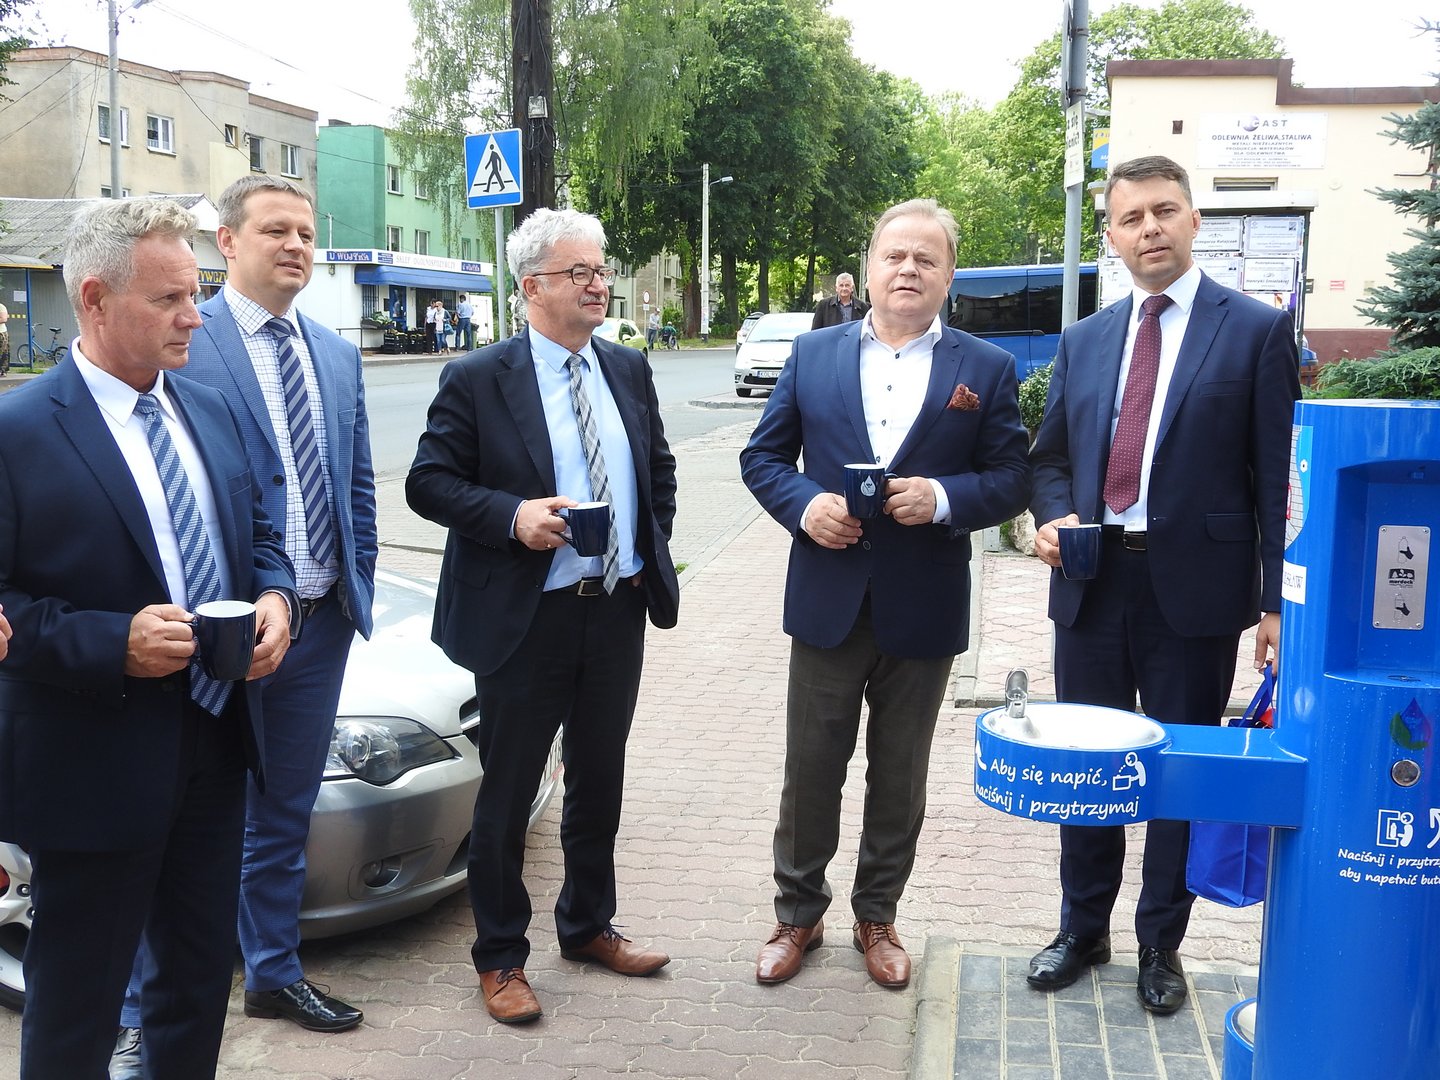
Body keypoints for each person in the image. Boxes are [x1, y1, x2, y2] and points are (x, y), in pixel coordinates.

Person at [0, 198, 295, 1079]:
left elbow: (261, 534)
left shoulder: (210, 409)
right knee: (78, 1005)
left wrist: (276, 598)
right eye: (169, 299)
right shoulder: (17, 433)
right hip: (92, 763)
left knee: (198, 984)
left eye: (195, 293)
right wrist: (110, 642)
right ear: (94, 299)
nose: (194, 317)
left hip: (216, 743)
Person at [109, 175, 377, 1075]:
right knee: (169, 817)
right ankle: (140, 1011)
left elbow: (355, 484)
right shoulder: (188, 337)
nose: (296, 245)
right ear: (227, 243)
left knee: (285, 813)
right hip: (215, 633)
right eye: (275, 231)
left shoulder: (335, 353)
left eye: (305, 231)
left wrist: (351, 584)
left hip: (316, 623)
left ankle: (272, 971)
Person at [1027, 155, 1299, 1015]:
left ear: (1193, 221)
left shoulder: (1254, 330)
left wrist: (1274, 604)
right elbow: (1048, 458)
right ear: (1110, 235)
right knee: (1088, 765)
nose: (1149, 228)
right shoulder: (1085, 339)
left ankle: (1159, 944)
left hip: (1197, 590)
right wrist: (1054, 517)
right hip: (1091, 581)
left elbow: (1272, 478)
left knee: (1175, 772)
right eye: (1131, 217)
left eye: (1164, 211)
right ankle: (1082, 928)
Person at [740, 198, 1031, 989]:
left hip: (924, 604)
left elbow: (1012, 477)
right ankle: (797, 915)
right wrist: (806, 506)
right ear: (868, 269)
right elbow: (763, 458)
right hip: (828, 598)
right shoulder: (813, 354)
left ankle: (878, 917)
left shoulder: (986, 368)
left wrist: (943, 498)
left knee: (899, 776)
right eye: (894, 256)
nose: (908, 269)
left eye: (925, 259)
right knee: (811, 769)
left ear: (948, 275)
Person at [407, 207, 679, 1025]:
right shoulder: (478, 377)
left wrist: (644, 549)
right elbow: (428, 482)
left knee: (600, 779)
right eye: (579, 273)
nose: (598, 284)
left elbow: (658, 470)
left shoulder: (626, 367)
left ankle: (589, 925)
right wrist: (513, 516)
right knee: (510, 792)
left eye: (601, 270)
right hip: (526, 619)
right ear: (531, 287)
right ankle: (500, 956)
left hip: (615, 609)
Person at [0, 299, 9, 375]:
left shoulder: (1, 307)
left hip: (1, 333)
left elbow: (3, 318)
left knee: (2, 351)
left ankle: (3, 370)